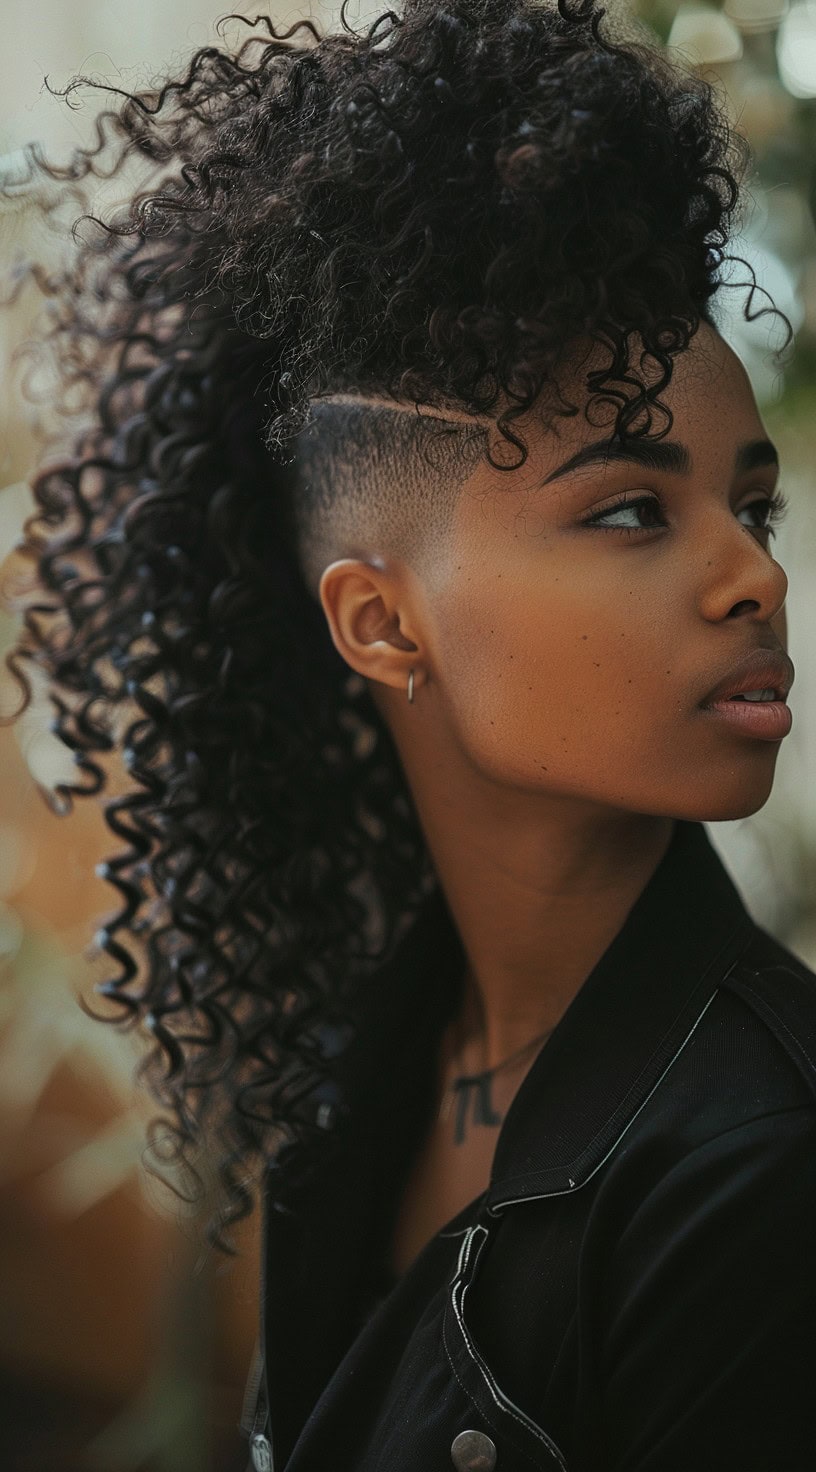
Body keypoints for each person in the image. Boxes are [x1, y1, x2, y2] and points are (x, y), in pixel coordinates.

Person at [3, 0, 815, 1467]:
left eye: (747, 503)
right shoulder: (357, 1062)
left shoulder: (766, 1166)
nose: (753, 571)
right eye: (632, 508)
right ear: (380, 625)